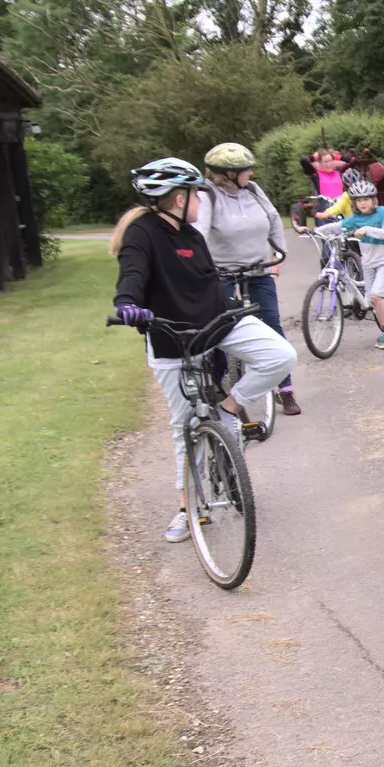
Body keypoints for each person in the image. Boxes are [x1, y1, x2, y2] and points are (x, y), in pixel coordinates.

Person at [110, 157, 297, 544]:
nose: (202, 200)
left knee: (280, 355)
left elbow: (206, 281)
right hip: (171, 338)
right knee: (186, 427)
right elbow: (131, 272)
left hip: (215, 322)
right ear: (180, 198)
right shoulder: (142, 234)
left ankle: (230, 408)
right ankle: (187, 508)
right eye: (197, 193)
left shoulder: (191, 235)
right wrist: (127, 302)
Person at [195, 142, 301, 415]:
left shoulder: (252, 191)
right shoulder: (208, 196)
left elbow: (274, 219)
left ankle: (285, 390)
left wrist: (279, 253)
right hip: (223, 272)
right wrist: (201, 269)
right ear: (227, 173)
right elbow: (199, 233)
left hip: (258, 269)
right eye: (245, 169)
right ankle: (219, 383)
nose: (251, 173)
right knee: (220, 329)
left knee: (272, 324)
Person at [338, 178, 384, 349]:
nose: (363, 203)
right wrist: (314, 231)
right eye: (359, 200)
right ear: (354, 203)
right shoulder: (355, 218)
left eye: (366, 199)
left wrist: (367, 230)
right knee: (369, 300)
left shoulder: (382, 212)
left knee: (376, 296)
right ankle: (381, 312)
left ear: (373, 200)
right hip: (368, 262)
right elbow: (338, 226)